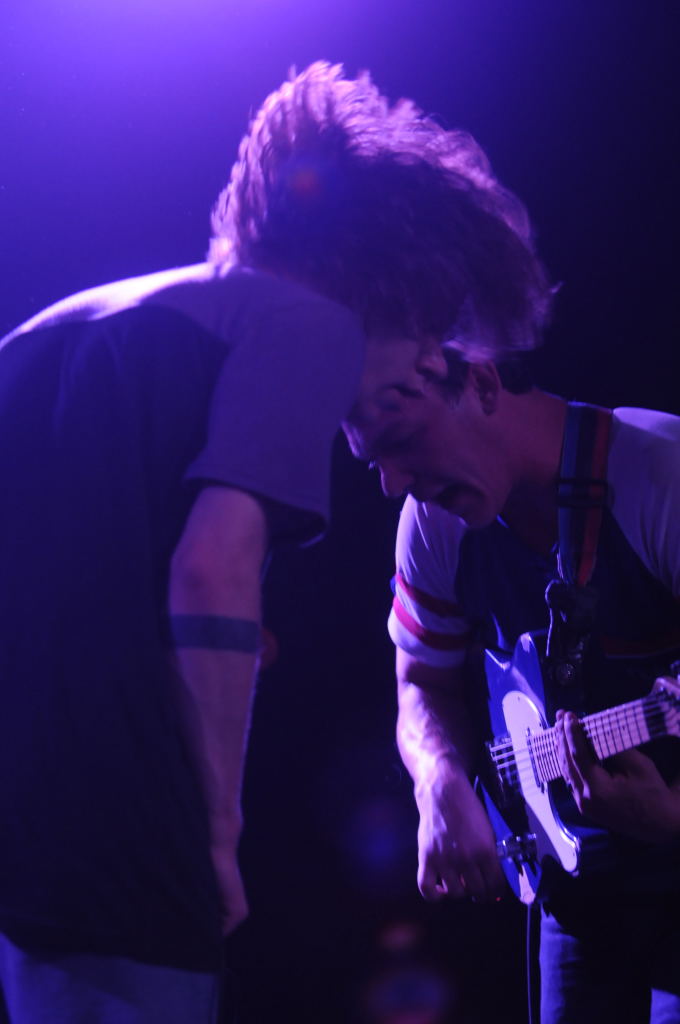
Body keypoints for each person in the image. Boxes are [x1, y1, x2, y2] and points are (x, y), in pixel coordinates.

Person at [0, 63, 556, 1022]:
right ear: (382, 285)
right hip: (110, 820)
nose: (426, 364)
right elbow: (212, 568)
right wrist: (213, 834)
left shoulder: (62, 335)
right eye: (427, 329)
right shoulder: (305, 325)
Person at [343, 145, 680, 1019]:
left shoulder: (662, 481)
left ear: (482, 380)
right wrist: (438, 780)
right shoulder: (432, 521)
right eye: (372, 458)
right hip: (577, 893)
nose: (391, 482)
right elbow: (419, 679)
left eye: (400, 440)